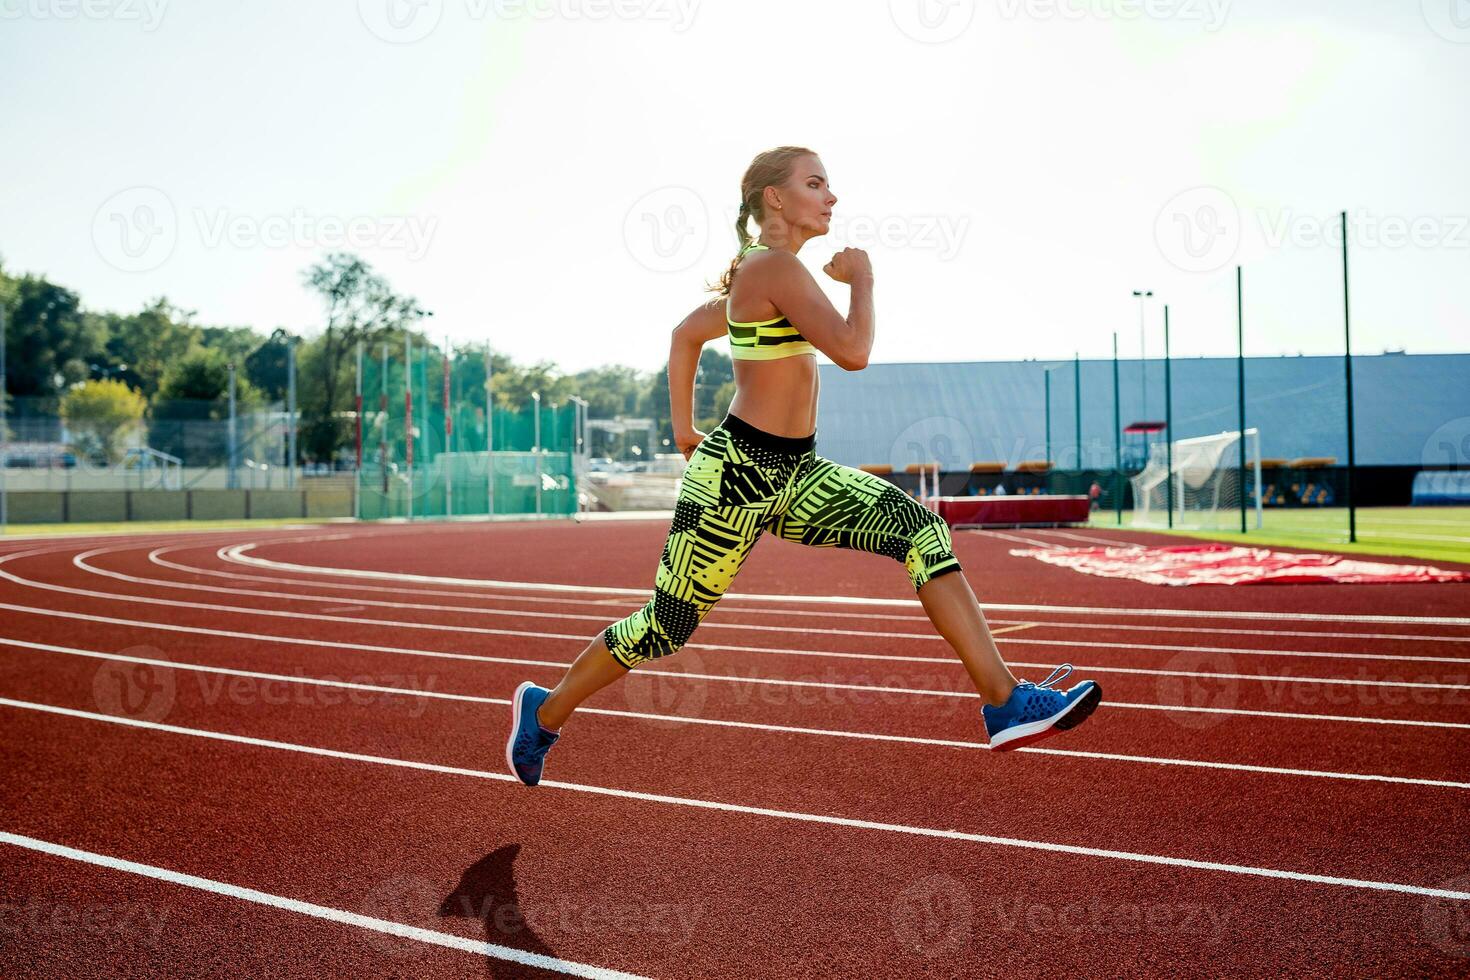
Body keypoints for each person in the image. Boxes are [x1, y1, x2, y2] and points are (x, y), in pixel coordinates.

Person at [506, 147, 1101, 786]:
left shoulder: (764, 277)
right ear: (776, 199)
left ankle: (1003, 700)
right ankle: (545, 711)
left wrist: (684, 427)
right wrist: (865, 278)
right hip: (734, 478)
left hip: (797, 474)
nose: (832, 197)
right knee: (665, 627)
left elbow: (685, 333)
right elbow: (853, 351)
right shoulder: (771, 268)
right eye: (816, 184)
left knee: (918, 529)